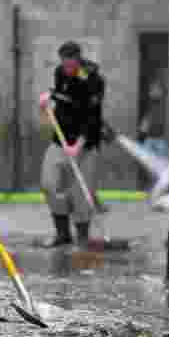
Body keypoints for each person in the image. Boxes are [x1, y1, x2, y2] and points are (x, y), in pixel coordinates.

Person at [37, 41, 105, 247]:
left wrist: (79, 144)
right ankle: (62, 233)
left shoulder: (93, 79)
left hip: (85, 145)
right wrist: (48, 97)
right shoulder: (60, 72)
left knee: (81, 192)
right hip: (60, 140)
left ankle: (83, 237)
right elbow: (60, 94)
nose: (67, 69)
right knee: (49, 184)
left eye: (71, 66)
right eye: (64, 65)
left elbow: (92, 117)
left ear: (79, 60)